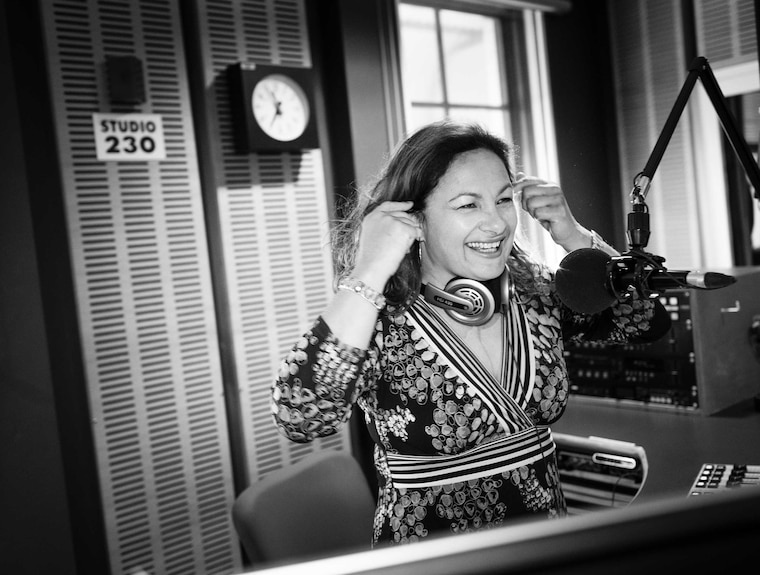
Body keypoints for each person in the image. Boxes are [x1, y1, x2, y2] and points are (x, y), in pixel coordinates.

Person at [270, 120, 670, 546]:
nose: (496, 224)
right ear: (415, 220)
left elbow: (644, 321)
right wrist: (369, 271)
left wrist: (572, 234)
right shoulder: (377, 319)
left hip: (546, 546)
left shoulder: (533, 295)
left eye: (502, 200)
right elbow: (300, 417)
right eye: (468, 205)